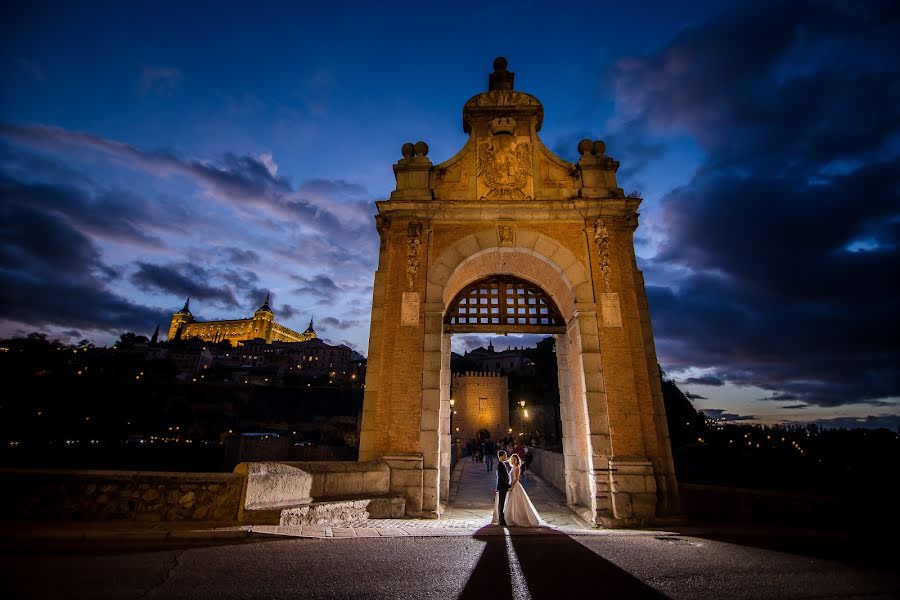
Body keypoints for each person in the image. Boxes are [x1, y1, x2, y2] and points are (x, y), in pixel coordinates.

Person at [503, 454, 544, 527]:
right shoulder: (512, 467)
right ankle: (511, 517)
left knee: (516, 501)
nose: (513, 460)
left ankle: (516, 518)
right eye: (512, 459)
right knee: (510, 501)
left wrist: (512, 487)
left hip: (515, 486)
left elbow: (516, 479)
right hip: (511, 484)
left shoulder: (517, 468)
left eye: (515, 459)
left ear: (517, 460)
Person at [491, 451, 510, 527]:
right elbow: (503, 477)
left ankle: (501, 519)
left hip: (502, 486)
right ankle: (501, 520)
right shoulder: (500, 465)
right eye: (505, 455)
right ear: (500, 456)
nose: (506, 456)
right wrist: (508, 485)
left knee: (501, 503)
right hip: (502, 486)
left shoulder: (502, 464)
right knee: (501, 503)